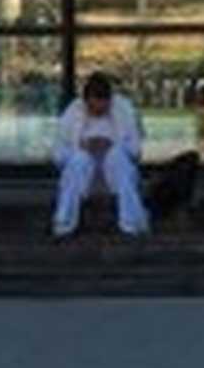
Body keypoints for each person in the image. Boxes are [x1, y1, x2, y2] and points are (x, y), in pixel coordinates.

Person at [53, 69, 148, 241]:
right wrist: (81, 147)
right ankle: (64, 223)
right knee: (79, 161)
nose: (97, 111)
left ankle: (131, 223)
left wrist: (112, 147)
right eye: (92, 107)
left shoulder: (124, 110)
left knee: (117, 157)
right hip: (83, 172)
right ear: (85, 101)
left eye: (102, 107)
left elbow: (135, 151)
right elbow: (58, 155)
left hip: (114, 169)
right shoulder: (71, 113)